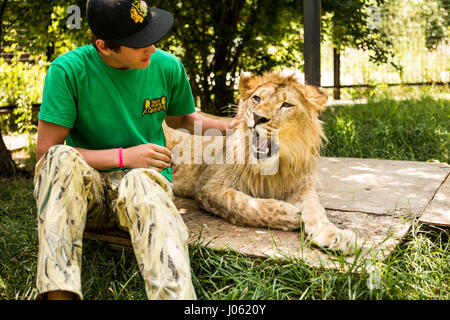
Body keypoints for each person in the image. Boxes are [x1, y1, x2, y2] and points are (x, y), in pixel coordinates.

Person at [34, 0, 242, 300]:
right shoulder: (67, 70)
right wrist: (124, 157)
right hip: (89, 193)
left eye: (152, 36)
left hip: (146, 188)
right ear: (104, 46)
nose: (152, 48)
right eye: (140, 43)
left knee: (140, 178)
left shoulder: (167, 66)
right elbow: (46, 152)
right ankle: (59, 294)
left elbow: (182, 119)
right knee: (58, 158)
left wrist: (230, 127)